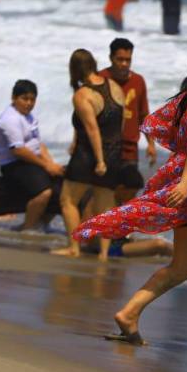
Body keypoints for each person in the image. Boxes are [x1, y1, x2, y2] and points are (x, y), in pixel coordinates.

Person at [75, 40, 187, 361]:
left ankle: (129, 312)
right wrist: (185, 181)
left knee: (182, 266)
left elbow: (158, 124)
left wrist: (181, 175)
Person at [57, 49, 125, 259]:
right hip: (114, 153)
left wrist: (100, 161)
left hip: (89, 156)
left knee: (67, 200)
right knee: (105, 206)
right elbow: (119, 124)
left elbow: (92, 129)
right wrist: (110, 157)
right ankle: (104, 254)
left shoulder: (82, 95)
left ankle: (74, 248)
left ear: (74, 70)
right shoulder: (114, 86)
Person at [0, 79, 64, 231]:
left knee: (62, 189)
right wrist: (46, 165)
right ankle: (27, 228)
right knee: (44, 193)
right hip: (13, 165)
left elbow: (38, 144)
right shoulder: (10, 119)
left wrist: (51, 164)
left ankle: (42, 224)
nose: (29, 103)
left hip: (31, 162)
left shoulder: (29, 116)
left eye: (32, 99)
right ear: (14, 98)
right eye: (25, 99)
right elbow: (18, 150)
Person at [99, 37, 157, 200]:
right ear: (111, 58)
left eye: (128, 60)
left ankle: (114, 215)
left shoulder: (138, 81)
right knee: (105, 189)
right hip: (106, 147)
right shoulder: (100, 79)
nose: (124, 64)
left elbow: (144, 114)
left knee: (133, 183)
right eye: (120, 59)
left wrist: (151, 143)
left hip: (130, 148)